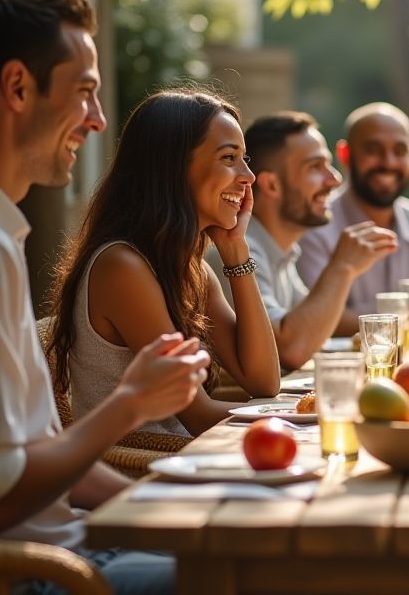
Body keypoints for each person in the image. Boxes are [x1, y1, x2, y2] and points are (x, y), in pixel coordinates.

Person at [0, 0, 210, 594]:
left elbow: (44, 455)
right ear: (17, 87)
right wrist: (129, 405)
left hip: (72, 547)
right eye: (85, 93)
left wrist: (169, 512)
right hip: (31, 579)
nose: (97, 122)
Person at [49, 88, 281, 438]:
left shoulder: (190, 270)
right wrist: (295, 419)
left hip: (189, 459)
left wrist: (236, 251)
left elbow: (264, 380)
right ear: (173, 167)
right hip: (143, 472)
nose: (248, 176)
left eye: (244, 158)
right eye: (229, 157)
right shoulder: (122, 267)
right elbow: (198, 415)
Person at [208, 112, 397, 369]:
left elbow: (311, 330)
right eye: (315, 167)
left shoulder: (282, 250)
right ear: (272, 185)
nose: (335, 179)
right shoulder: (237, 249)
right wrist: (343, 267)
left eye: (329, 165)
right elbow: (289, 349)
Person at [296, 102, 409, 333]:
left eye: (400, 151)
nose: (388, 163)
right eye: (373, 150)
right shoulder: (313, 226)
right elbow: (312, 317)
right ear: (345, 155)